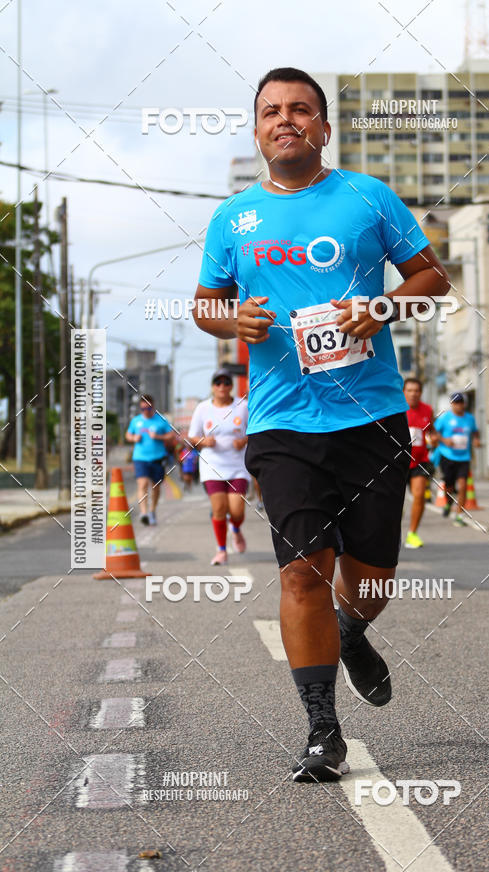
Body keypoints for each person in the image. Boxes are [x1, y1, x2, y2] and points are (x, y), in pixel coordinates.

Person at [193, 67, 450, 782]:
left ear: (322, 128)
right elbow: (205, 304)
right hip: (281, 421)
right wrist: (230, 317)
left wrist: (387, 306)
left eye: (300, 109)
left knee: (372, 573)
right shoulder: (232, 218)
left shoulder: (368, 198)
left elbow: (434, 277)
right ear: (257, 130)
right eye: (272, 111)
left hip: (372, 415)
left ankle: (353, 630)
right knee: (304, 573)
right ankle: (321, 730)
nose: (286, 120)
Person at [188, 369, 250, 565]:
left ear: (231, 385)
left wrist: (244, 441)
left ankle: (236, 529)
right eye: (218, 383)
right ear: (213, 387)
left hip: (237, 465)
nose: (222, 386)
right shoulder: (202, 408)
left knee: (237, 511)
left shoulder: (243, 406)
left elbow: (254, 430)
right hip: (212, 466)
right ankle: (221, 551)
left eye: (226, 382)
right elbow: (193, 436)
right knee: (220, 508)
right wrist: (204, 441)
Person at [125, 394, 172, 526]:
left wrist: (158, 436)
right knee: (143, 483)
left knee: (156, 487)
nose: (146, 411)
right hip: (140, 458)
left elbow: (171, 435)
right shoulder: (136, 421)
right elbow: (128, 434)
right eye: (143, 408)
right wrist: (133, 438)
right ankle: (144, 513)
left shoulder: (161, 420)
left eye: (149, 408)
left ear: (153, 407)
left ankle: (152, 511)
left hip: (158, 458)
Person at [435, 392, 481, 526]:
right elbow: (434, 432)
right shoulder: (445, 418)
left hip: (464, 457)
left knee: (463, 485)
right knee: (448, 486)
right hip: (447, 456)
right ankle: (449, 503)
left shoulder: (469, 419)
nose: (458, 405)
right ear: (451, 404)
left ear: (464, 404)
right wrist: (444, 440)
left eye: (460, 402)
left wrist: (476, 440)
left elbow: (475, 431)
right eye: (455, 402)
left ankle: (459, 515)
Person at [403, 377, 437, 548]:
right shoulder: (396, 409)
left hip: (420, 461)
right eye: (409, 390)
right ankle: (390, 536)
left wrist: (435, 438)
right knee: (394, 501)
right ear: (403, 392)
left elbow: (432, 431)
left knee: (419, 494)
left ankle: (412, 534)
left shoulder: (427, 410)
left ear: (421, 393)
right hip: (398, 462)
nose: (413, 394)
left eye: (416, 390)